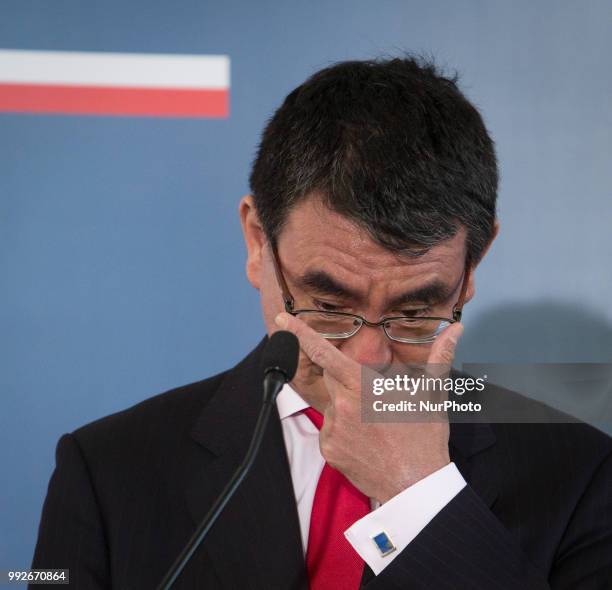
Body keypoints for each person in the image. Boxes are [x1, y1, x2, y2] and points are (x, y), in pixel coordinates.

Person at [31, 57, 612, 589]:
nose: (364, 361)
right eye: (329, 307)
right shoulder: (107, 471)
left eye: (414, 311)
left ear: (470, 269)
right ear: (259, 244)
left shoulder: (584, 475)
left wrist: (422, 498)